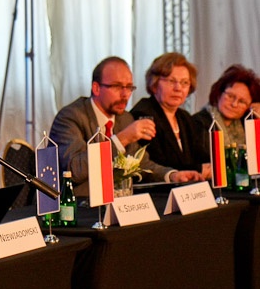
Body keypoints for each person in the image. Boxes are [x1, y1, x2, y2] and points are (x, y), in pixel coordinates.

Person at [49, 56, 203, 197]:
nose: (125, 95)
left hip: (118, 203)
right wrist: (121, 139)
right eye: (117, 86)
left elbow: (142, 164)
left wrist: (172, 175)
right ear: (96, 88)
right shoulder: (71, 117)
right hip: (80, 205)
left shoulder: (125, 118)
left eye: (129, 87)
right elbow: (74, 170)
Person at [130, 53, 210, 177]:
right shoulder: (144, 114)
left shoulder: (185, 118)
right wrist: (199, 169)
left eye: (184, 82)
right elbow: (155, 165)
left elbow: (201, 156)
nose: (178, 88)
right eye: (171, 81)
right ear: (154, 83)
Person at [193, 64, 260, 148]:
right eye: (230, 96)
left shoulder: (247, 125)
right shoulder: (199, 122)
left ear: (249, 106)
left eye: (242, 101)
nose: (234, 104)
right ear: (219, 93)